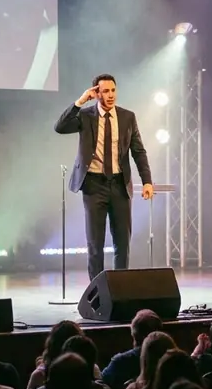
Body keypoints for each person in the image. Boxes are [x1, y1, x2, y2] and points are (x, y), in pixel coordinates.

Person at [54, 74, 153, 280]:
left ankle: (122, 288)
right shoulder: (85, 115)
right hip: (93, 184)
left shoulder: (127, 117)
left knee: (122, 243)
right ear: (96, 93)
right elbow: (60, 127)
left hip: (119, 184)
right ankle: (98, 294)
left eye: (113, 90)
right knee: (95, 244)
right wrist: (80, 102)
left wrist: (147, 181)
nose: (110, 95)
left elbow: (138, 151)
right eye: (105, 91)